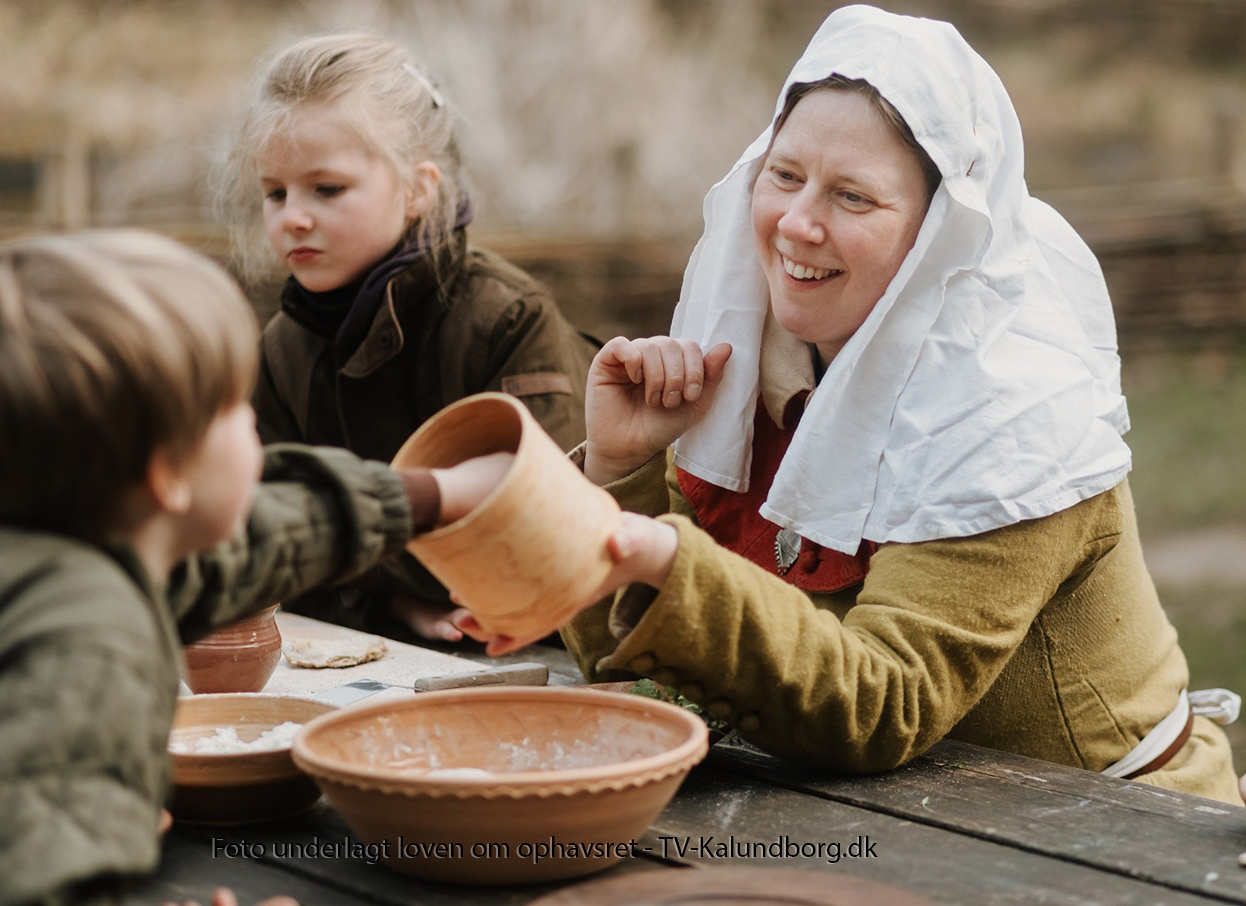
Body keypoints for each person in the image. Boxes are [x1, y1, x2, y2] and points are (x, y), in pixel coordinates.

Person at [463, 5, 1241, 804]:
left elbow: (880, 707)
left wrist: (661, 555)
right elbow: (649, 674)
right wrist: (622, 469)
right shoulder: (759, 375)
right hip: (899, 821)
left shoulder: (1009, 418)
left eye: (853, 197)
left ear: (936, 233)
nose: (798, 224)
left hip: (1116, 834)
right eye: (786, 175)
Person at [0, 230, 509, 906]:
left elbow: (254, 541)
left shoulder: (16, 542)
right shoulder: (84, 653)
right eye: (234, 411)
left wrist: (433, 495)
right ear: (167, 474)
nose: (255, 428)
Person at [215, 32, 600, 642]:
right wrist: (388, 609)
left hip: (545, 650)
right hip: (377, 645)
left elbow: (550, 523)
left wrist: (372, 566)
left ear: (419, 188)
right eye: (274, 192)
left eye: (328, 188)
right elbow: (265, 534)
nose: (292, 216)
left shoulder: (507, 319)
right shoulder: (281, 348)